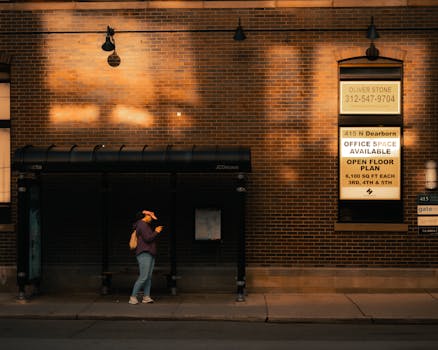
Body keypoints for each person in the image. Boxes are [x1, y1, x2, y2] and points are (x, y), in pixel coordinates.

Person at [129, 210, 163, 305]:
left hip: (149, 253)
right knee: (144, 277)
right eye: (151, 217)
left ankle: (146, 297)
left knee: (148, 277)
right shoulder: (142, 224)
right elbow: (148, 238)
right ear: (146, 215)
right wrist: (156, 231)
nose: (152, 219)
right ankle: (133, 297)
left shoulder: (144, 225)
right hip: (144, 253)